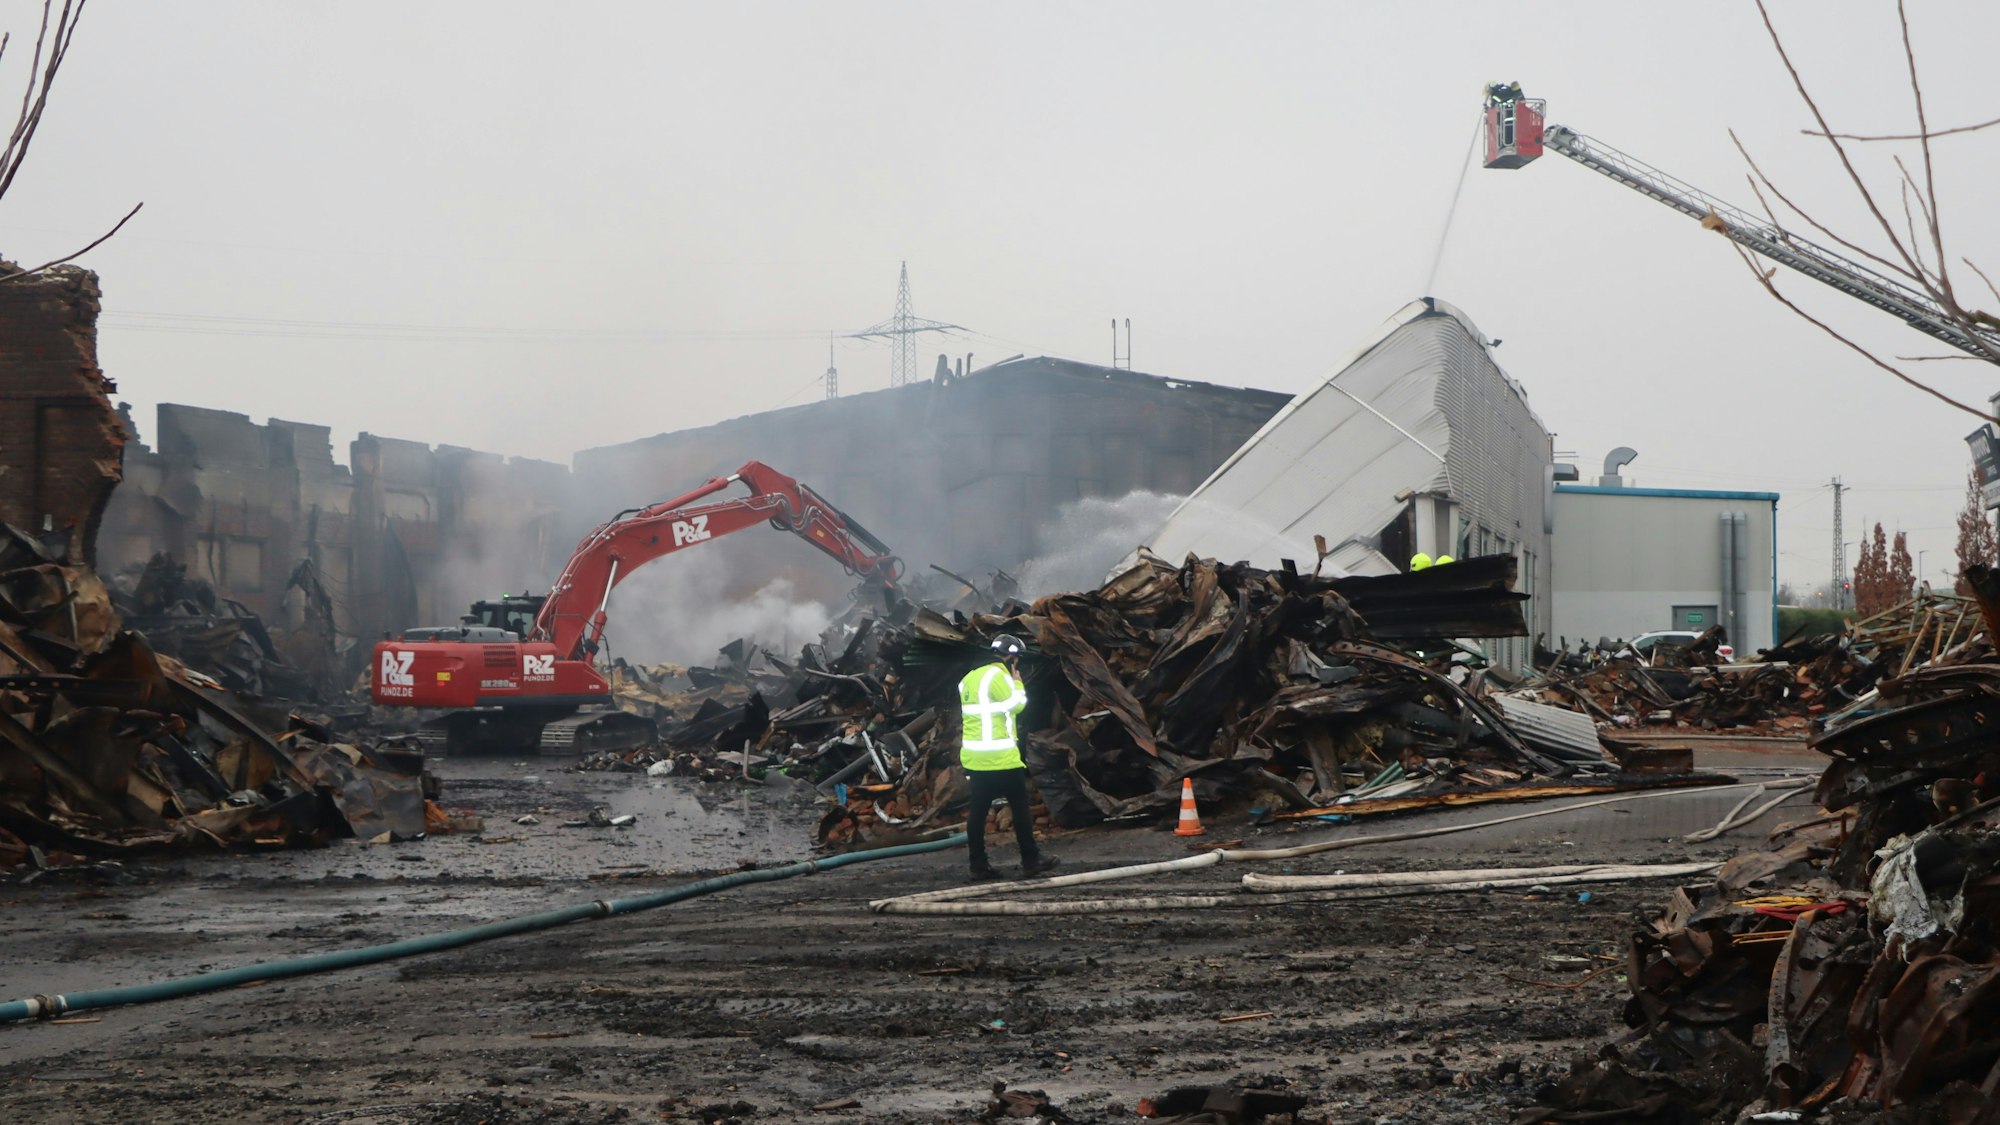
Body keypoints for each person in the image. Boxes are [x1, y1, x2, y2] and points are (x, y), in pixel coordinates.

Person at [959, 634, 1059, 880]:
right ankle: (1031, 859)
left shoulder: (967, 679)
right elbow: (1016, 705)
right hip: (1001, 757)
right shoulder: (999, 675)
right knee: (1020, 807)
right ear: (1011, 658)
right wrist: (1017, 683)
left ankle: (978, 865)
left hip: (975, 758)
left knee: (978, 812)